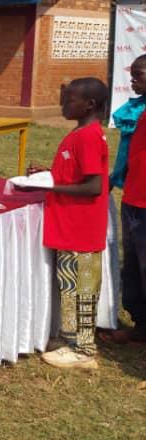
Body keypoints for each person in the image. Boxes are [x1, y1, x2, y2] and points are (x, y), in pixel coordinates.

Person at [17, 77, 109, 370]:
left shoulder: (88, 136)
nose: (62, 105)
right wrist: (49, 173)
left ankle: (84, 349)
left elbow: (93, 186)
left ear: (89, 104)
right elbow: (76, 173)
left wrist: (49, 187)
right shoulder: (79, 132)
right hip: (70, 226)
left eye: (69, 100)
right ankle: (71, 339)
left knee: (82, 288)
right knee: (69, 285)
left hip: (81, 228)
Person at [102, 54, 146, 345]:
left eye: (138, 75)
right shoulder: (139, 112)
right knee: (132, 267)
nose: (132, 81)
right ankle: (141, 327)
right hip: (133, 200)